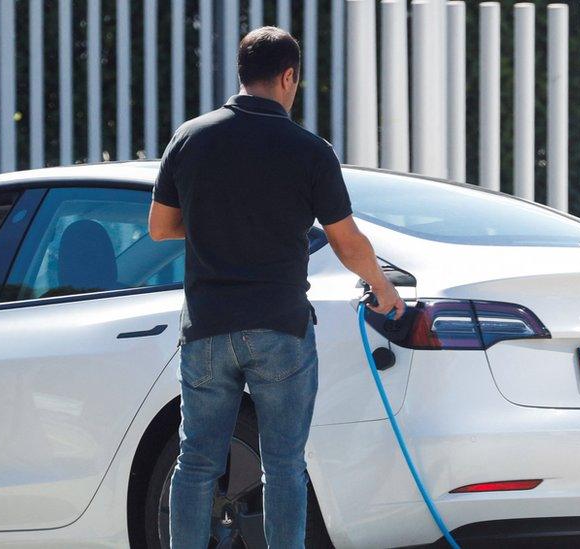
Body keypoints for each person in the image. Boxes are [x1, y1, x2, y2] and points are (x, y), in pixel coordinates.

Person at [148, 26, 405, 548]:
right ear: (288, 76)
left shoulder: (192, 137)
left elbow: (160, 227)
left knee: (196, 461)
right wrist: (382, 287)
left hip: (207, 330)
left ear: (241, 74)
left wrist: (215, 224)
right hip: (279, 329)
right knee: (284, 464)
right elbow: (346, 240)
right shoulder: (309, 150)